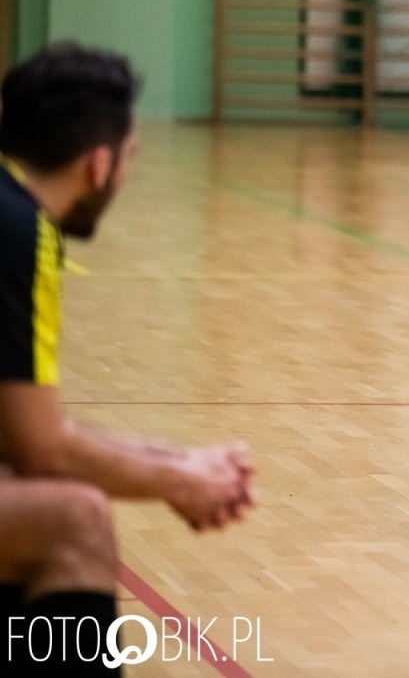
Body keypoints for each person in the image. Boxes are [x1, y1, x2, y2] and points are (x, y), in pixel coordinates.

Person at [0, 44, 255, 675]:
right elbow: (41, 448)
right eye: (130, 160)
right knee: (74, 520)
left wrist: (175, 460)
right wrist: (180, 481)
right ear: (99, 163)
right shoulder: (19, 230)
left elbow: (21, 433)